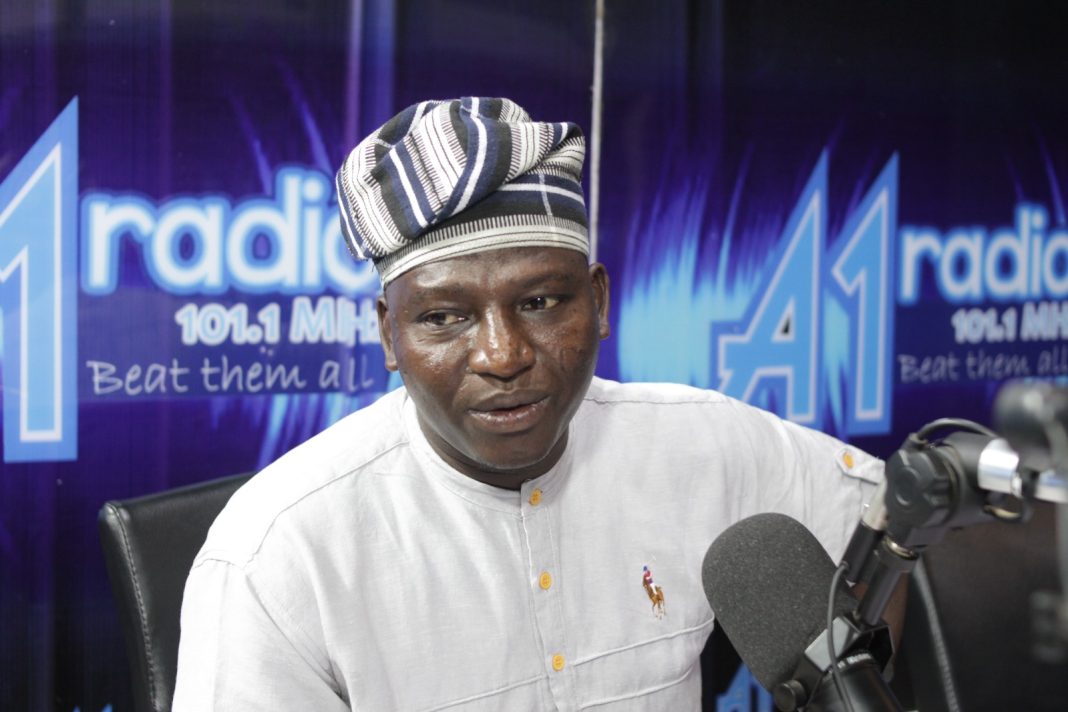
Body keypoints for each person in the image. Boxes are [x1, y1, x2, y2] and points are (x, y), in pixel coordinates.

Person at [173, 97, 885, 710]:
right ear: (389, 335)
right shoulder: (279, 553)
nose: (502, 355)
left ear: (598, 301)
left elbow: (880, 515)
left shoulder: (700, 443)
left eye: (541, 302)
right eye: (444, 317)